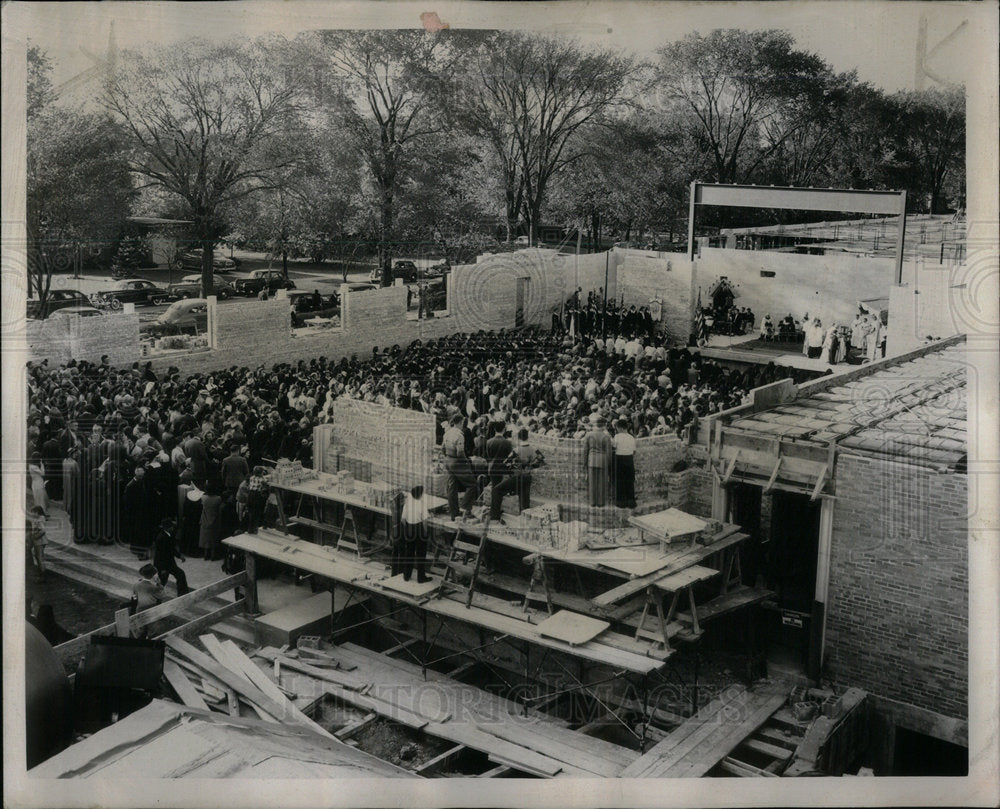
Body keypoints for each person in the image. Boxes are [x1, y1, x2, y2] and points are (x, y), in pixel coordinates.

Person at [441, 414, 480, 522]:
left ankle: (454, 514)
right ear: (461, 422)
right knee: (472, 484)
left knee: (452, 488)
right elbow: (460, 452)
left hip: (448, 460)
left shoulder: (447, 432)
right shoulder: (460, 435)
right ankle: (465, 509)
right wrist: (467, 462)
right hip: (457, 461)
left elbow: (442, 449)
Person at [399, 485, 431, 583]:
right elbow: (425, 522)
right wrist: (425, 532)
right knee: (421, 554)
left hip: (409, 528)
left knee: (409, 552)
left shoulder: (407, 504)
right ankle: (421, 577)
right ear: (420, 495)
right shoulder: (422, 505)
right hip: (419, 529)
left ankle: (406, 575)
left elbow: (403, 520)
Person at [153, 517, 190, 595]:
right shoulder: (161, 538)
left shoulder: (169, 535)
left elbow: (171, 549)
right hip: (162, 564)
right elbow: (160, 555)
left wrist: (179, 556)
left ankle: (182, 594)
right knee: (162, 582)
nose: (173, 528)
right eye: (171, 526)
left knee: (180, 575)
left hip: (169, 562)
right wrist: (162, 569)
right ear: (168, 527)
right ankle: (155, 598)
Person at [583, 416, 613, 507]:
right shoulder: (606, 436)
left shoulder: (588, 435)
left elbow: (585, 451)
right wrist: (609, 463)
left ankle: (592, 502)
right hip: (603, 461)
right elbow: (609, 452)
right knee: (601, 483)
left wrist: (585, 463)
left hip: (591, 460)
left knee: (592, 482)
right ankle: (600, 502)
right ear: (604, 425)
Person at [130, 564, 165, 638]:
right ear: (153, 575)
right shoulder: (153, 587)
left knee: (141, 627)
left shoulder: (136, 584)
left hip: (139, 608)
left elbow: (134, 596)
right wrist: (159, 584)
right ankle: (150, 638)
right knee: (152, 627)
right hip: (151, 609)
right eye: (156, 573)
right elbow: (162, 596)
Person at [612, 419, 637, 508]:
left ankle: (621, 502)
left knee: (620, 481)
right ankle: (631, 501)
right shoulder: (631, 437)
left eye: (617, 428)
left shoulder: (617, 436)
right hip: (629, 459)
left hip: (620, 459)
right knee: (630, 481)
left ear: (620, 428)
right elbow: (634, 451)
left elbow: (614, 447)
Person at [245, 465, 269, 534]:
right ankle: (255, 529)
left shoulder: (251, 477)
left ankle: (250, 529)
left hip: (250, 495)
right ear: (261, 473)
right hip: (257, 496)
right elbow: (265, 483)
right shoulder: (262, 479)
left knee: (251, 513)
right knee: (257, 513)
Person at [26, 505, 48, 581]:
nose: (32, 514)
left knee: (40, 558)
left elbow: (43, 530)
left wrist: (35, 537)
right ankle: (41, 573)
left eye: (33, 512)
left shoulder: (40, 519)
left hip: (40, 542)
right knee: (38, 557)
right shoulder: (38, 518)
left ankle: (43, 575)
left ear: (37, 512)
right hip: (38, 542)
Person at [28, 454, 49, 518]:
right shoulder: (34, 467)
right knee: (41, 500)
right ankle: (42, 515)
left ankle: (43, 514)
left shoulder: (31, 466)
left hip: (36, 484)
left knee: (40, 500)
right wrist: (42, 465)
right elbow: (43, 473)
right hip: (38, 484)